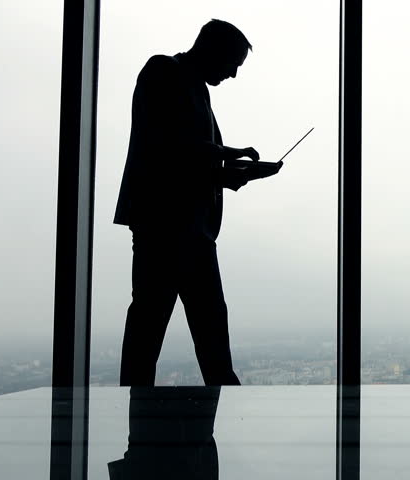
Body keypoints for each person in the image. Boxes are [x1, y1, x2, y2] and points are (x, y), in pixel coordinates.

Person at [114, 19, 279, 386]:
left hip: (183, 228)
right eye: (233, 63)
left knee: (170, 323)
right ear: (212, 50)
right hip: (166, 227)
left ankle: (138, 408)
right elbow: (168, 146)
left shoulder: (191, 86)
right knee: (176, 324)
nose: (233, 74)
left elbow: (182, 162)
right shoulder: (163, 70)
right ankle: (213, 402)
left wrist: (235, 172)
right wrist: (228, 155)